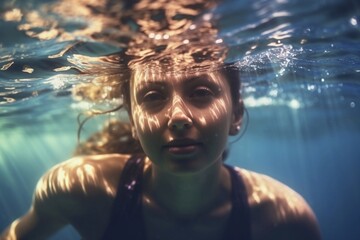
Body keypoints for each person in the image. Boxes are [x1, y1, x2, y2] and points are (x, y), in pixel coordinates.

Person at [1, 0, 322, 239]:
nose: (179, 117)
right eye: (153, 96)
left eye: (200, 91)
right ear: (133, 120)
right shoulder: (76, 190)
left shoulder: (287, 219)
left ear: (236, 113)